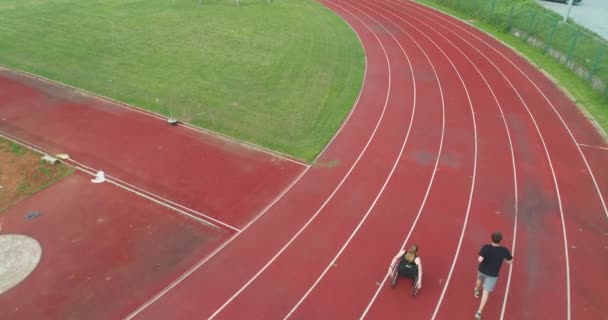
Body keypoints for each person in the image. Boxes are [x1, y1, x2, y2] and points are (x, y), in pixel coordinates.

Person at [474, 232, 513, 320]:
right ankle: (478, 313)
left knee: (479, 281)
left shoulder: (486, 247)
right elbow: (510, 262)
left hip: (482, 270)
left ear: (491, 238)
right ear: (501, 240)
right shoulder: (504, 250)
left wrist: (482, 257)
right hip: (493, 274)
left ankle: (476, 291)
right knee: (486, 292)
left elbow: (480, 259)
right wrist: (503, 260)